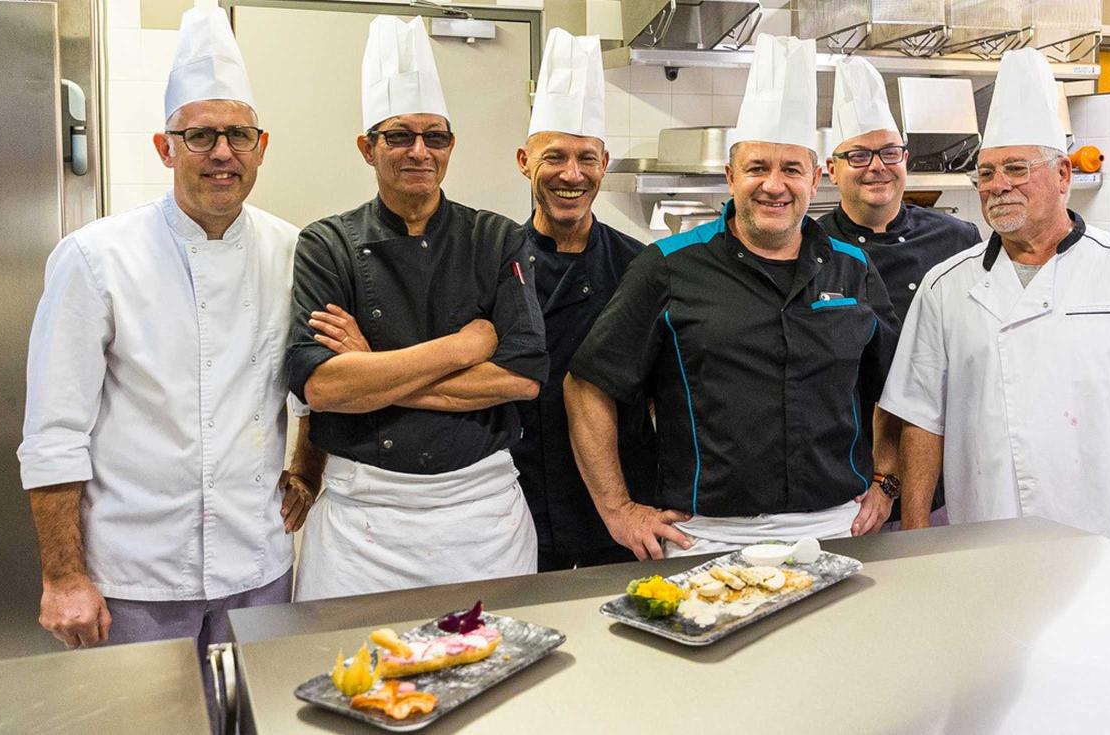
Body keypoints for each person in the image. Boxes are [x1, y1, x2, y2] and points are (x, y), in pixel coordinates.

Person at [18, 2, 311, 688]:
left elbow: (315, 382)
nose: (222, 153)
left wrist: (308, 462)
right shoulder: (93, 259)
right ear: (164, 147)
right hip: (133, 580)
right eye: (200, 135)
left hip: (257, 571)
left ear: (261, 147)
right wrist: (64, 575)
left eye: (238, 134)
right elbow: (54, 430)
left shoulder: (294, 251)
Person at [879, 48, 1110, 576]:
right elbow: (921, 422)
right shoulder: (945, 285)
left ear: (1063, 175)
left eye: (1016, 169)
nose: (998, 185)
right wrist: (915, 537)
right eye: (985, 173)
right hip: (985, 541)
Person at [564, 35, 901, 559]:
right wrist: (618, 509)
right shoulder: (668, 267)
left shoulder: (853, 268)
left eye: (791, 169)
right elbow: (587, 385)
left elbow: (897, 390)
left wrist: (887, 481)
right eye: (756, 168)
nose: (774, 185)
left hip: (838, 530)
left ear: (816, 179)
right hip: (709, 537)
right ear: (729, 177)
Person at [286, 16, 547, 600]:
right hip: (362, 526)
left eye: (436, 137)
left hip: (483, 520)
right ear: (367, 147)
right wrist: (462, 348)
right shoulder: (326, 245)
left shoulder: (497, 239)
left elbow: (523, 379)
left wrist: (371, 370)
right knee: (353, 679)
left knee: (496, 671)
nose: (420, 152)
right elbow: (323, 389)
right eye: (399, 136)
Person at [511, 29, 656, 571]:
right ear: (525, 161)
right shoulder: (494, 262)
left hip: (619, 502)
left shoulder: (641, 265)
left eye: (586, 158)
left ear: (605, 162)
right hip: (516, 505)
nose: (572, 175)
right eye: (555, 157)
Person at [817, 56, 980, 530]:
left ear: (905, 159)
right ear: (831, 169)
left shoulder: (958, 238)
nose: (877, 168)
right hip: (849, 477)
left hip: (947, 472)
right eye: (858, 156)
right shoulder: (811, 247)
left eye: (890, 152)